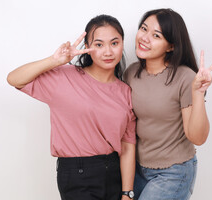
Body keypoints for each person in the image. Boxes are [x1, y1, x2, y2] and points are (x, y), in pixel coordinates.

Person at [7, 15, 136, 200]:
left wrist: (127, 193)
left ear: (122, 43)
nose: (108, 51)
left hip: (114, 173)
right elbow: (14, 79)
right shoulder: (64, 78)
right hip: (78, 174)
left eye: (114, 43)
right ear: (87, 47)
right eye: (99, 45)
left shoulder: (125, 91)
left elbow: (128, 145)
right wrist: (54, 60)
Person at [123, 8, 212, 200]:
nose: (145, 38)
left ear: (170, 46)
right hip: (137, 169)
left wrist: (197, 93)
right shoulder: (131, 73)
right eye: (144, 29)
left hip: (173, 172)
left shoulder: (185, 78)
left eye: (156, 35)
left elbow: (198, 137)